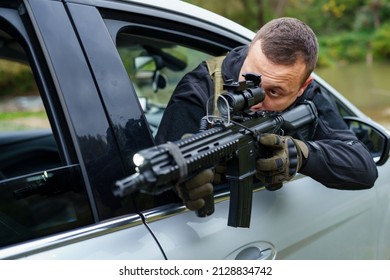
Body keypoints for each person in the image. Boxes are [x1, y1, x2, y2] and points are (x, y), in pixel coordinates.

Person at [155, 17, 378, 211]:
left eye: (274, 91)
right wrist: (186, 183)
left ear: (302, 87)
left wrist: (301, 154)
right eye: (250, 79)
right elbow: (157, 191)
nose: (257, 100)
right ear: (248, 53)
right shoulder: (199, 88)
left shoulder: (306, 94)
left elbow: (363, 168)